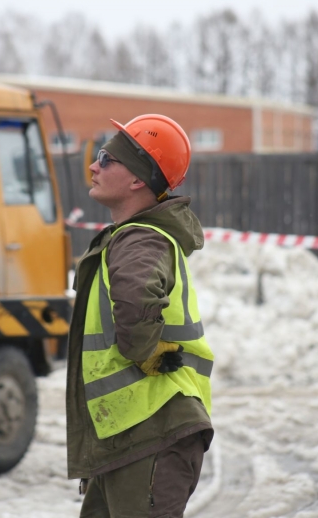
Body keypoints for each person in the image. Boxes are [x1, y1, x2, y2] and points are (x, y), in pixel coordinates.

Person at [66, 114, 215, 518]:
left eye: (106, 158)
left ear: (137, 181)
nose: (94, 166)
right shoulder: (135, 236)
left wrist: (143, 348)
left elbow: (135, 303)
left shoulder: (139, 238)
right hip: (130, 436)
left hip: (152, 432)